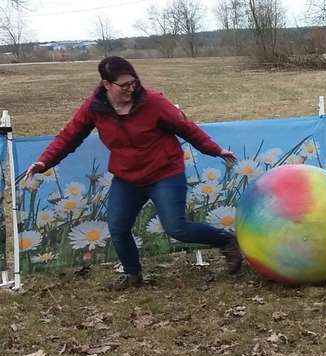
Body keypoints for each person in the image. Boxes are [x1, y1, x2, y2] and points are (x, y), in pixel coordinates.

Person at [24, 56, 242, 290]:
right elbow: (69, 136)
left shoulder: (153, 102)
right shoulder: (94, 108)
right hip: (128, 177)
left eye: (134, 82)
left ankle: (228, 242)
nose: (132, 88)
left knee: (177, 228)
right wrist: (43, 162)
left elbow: (186, 127)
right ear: (107, 84)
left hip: (164, 172)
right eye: (124, 85)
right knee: (118, 227)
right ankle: (132, 275)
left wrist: (214, 149)